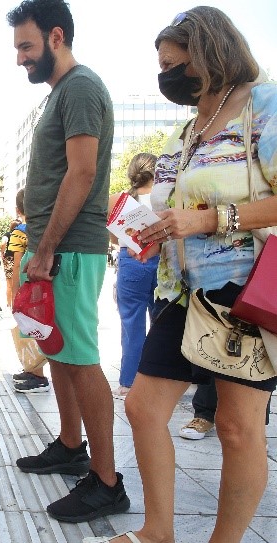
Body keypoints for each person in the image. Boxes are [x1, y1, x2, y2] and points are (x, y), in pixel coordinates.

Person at [100, 8, 277, 543]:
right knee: (143, 406)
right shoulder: (185, 131)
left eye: (175, 64)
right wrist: (152, 236)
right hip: (182, 290)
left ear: (211, 51)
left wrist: (208, 218)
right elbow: (173, 206)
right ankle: (158, 533)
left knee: (237, 428)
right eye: (162, 68)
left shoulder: (263, 106)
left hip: (242, 290)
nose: (167, 77)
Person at [7, 0, 129, 524]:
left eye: (26, 46)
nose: (19, 59)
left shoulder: (79, 88)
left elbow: (81, 174)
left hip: (71, 248)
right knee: (58, 351)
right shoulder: (62, 93)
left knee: (79, 358)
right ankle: (70, 444)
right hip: (55, 247)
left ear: (57, 36)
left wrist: (49, 247)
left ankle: (106, 481)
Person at [107, 153, 159, 399]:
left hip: (132, 260)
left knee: (131, 323)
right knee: (163, 323)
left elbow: (116, 239)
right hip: (163, 261)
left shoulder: (120, 200)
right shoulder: (167, 197)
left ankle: (128, 382)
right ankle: (162, 381)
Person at [9, 189, 50, 393]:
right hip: (40, 285)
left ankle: (38, 375)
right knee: (37, 325)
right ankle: (33, 368)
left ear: (18, 210)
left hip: (26, 284)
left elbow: (17, 265)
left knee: (29, 327)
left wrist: (13, 291)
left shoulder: (19, 232)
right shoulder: (44, 228)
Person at [0, 219, 20, 308]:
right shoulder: (20, 235)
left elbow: (2, 244)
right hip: (19, 259)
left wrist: (2, 253)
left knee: (9, 283)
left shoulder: (7, 235)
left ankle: (9, 304)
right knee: (18, 282)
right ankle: (16, 303)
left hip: (8, 260)